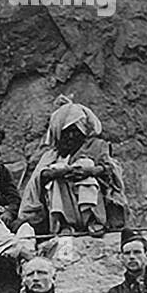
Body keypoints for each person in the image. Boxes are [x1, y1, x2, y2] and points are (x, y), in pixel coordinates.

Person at [18, 96, 127, 237]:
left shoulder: (97, 146)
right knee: (56, 177)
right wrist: (59, 172)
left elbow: (111, 168)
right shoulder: (52, 155)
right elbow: (39, 177)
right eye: (66, 132)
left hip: (96, 201)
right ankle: (64, 224)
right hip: (65, 202)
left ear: (83, 132)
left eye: (75, 131)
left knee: (85, 163)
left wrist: (90, 171)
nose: (70, 136)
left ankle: (93, 220)